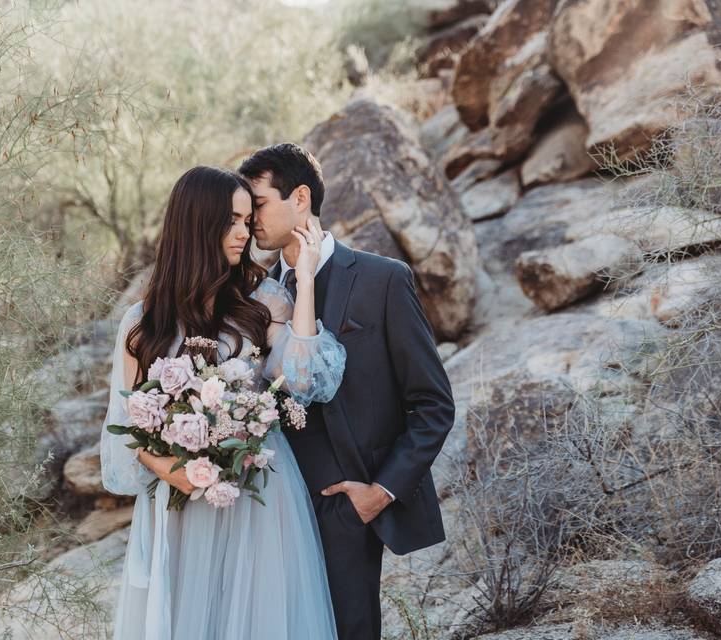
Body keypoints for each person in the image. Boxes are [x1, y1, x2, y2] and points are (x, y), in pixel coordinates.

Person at [100, 165, 346, 640]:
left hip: (257, 497)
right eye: (231, 221)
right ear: (197, 224)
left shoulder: (264, 300)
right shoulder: (142, 323)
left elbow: (303, 379)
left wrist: (307, 280)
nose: (244, 231)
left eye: (246, 218)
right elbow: (130, 424)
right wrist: (177, 470)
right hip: (180, 502)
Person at [239, 143, 456, 640]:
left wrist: (379, 493)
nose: (250, 219)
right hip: (271, 510)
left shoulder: (381, 280)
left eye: (258, 204)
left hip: (347, 507)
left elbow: (433, 405)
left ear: (299, 198)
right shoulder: (252, 298)